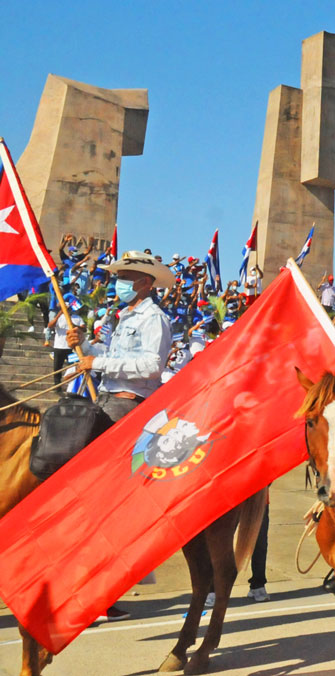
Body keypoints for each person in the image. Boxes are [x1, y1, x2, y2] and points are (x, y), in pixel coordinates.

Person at [67, 250, 175, 621]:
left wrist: (97, 362)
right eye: (119, 276)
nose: (120, 282)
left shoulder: (155, 318)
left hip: (127, 408)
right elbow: (114, 356)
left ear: (146, 282)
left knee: (101, 499)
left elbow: (151, 366)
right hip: (109, 400)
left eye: (127, 277)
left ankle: (101, 591)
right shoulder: (125, 315)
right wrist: (86, 346)